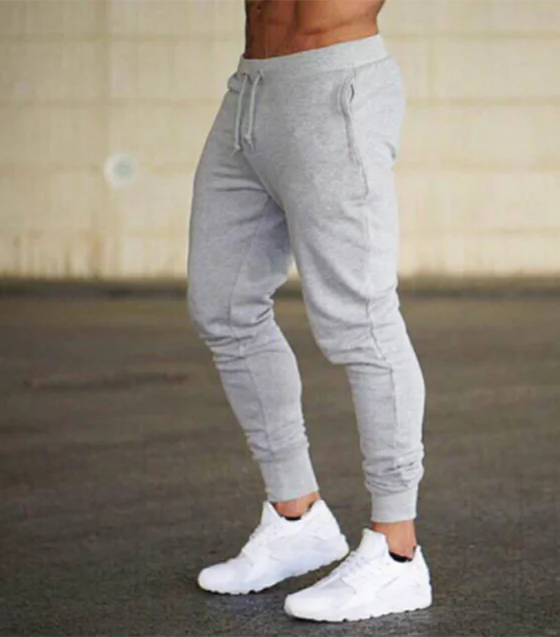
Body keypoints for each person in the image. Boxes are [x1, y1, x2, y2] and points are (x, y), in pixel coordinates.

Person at [187, 0, 432, 622]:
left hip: (334, 85)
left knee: (360, 321)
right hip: (249, 94)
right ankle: (296, 518)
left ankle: (397, 551)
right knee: (223, 306)